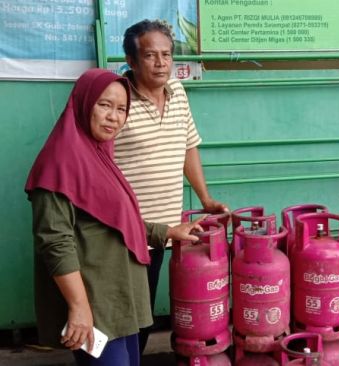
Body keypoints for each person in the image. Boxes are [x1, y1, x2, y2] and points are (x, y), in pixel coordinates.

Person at [25, 68, 205, 365]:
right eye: (104, 105)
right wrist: (79, 307)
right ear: (83, 103)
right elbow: (55, 242)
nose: (114, 117)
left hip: (119, 299)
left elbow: (114, 221)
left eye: (122, 109)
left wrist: (167, 232)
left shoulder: (98, 156)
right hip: (95, 304)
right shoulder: (58, 164)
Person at [114, 19, 229, 353]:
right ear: (132, 61)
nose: (161, 63)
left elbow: (188, 146)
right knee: (123, 315)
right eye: (151, 55)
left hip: (164, 230)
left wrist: (205, 199)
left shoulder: (177, 93)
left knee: (144, 312)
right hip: (126, 231)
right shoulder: (118, 99)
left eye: (167, 55)